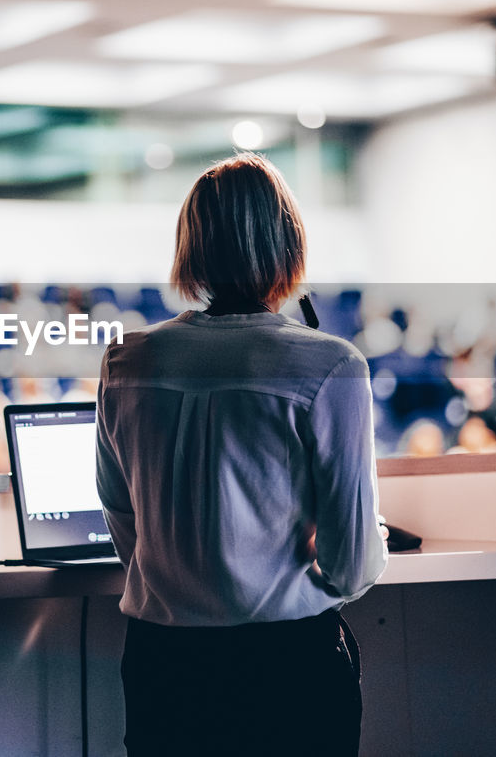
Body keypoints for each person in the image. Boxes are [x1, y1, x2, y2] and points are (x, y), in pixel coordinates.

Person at [95, 152, 389, 757]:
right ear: (289, 247)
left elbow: (120, 511)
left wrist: (184, 577)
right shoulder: (331, 365)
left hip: (162, 662)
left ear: (191, 248)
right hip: (286, 666)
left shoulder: (125, 361)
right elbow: (352, 566)